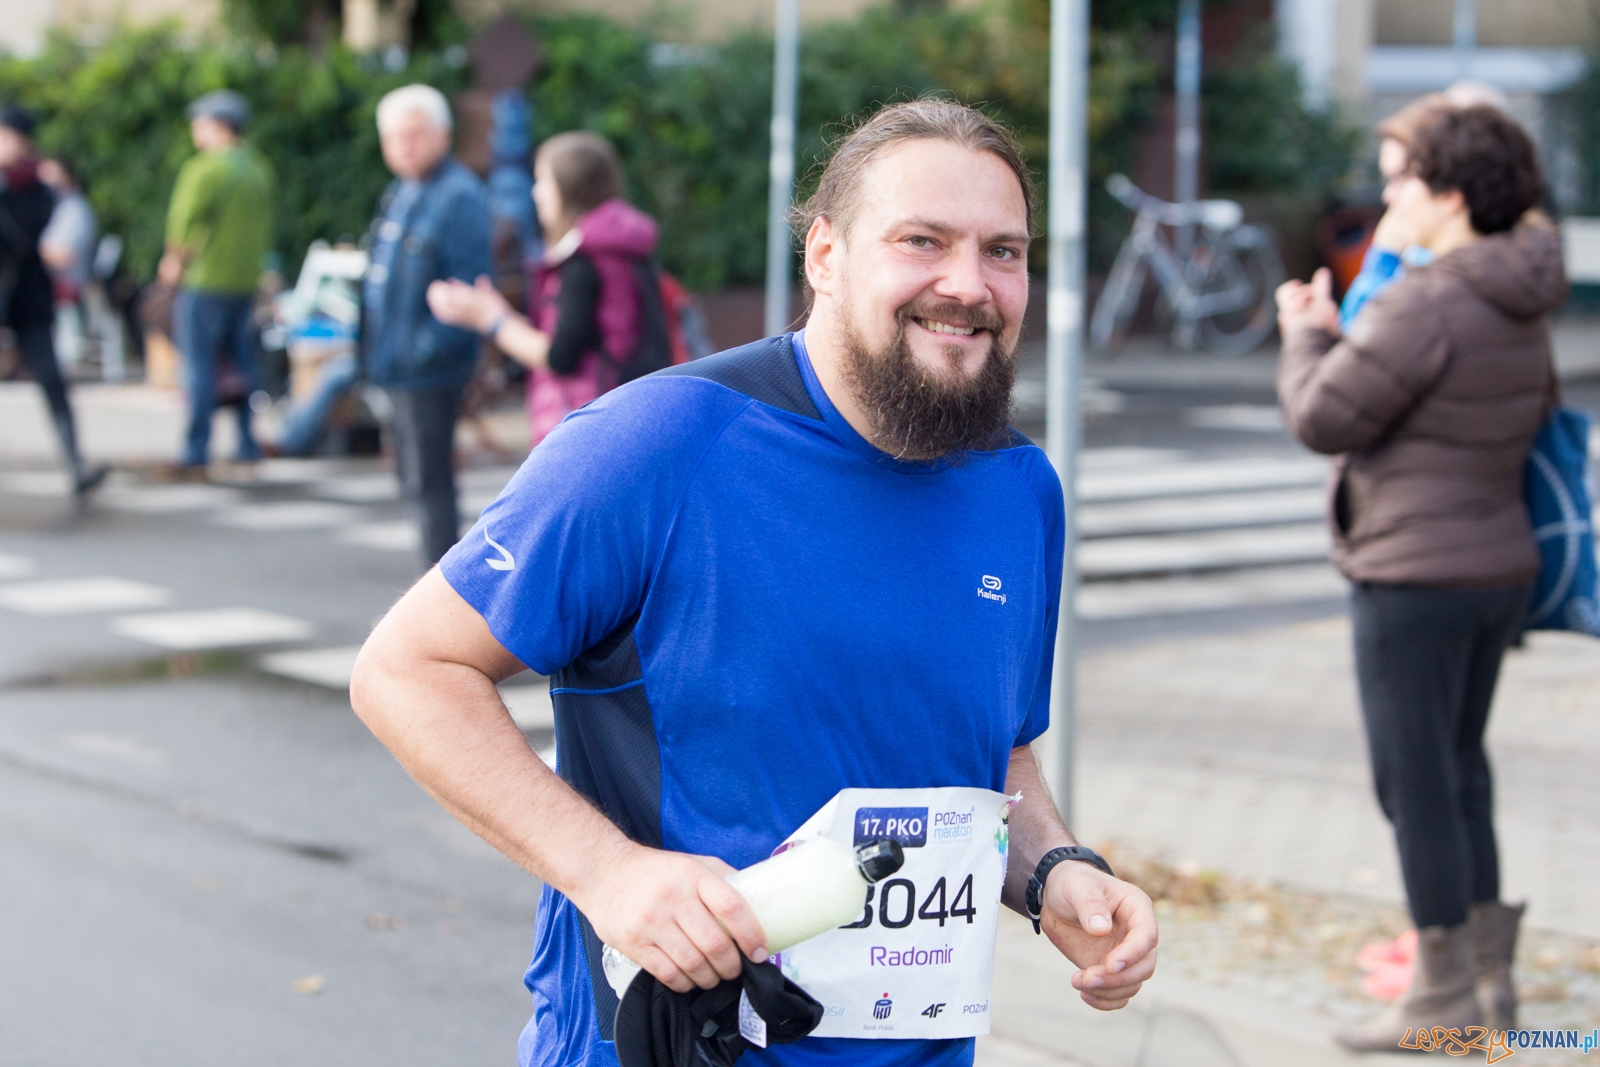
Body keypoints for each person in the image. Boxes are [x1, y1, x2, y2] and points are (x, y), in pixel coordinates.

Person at [351, 98, 1158, 1067]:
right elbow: (407, 668)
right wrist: (609, 872)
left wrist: (1054, 870)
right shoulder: (662, 442)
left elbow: (994, 754)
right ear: (823, 255)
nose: (967, 284)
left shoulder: (1017, 487)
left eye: (1003, 251)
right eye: (921, 241)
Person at [1275, 106, 1564, 1050]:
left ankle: (1444, 1004)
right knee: (1463, 773)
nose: (1387, 195)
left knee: (1417, 785)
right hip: (1497, 566)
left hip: (1415, 573)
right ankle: (1491, 989)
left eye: (1401, 177)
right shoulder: (1521, 289)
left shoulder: (1431, 299)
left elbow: (1325, 416)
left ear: (1447, 192)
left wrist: (1306, 332)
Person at [426, 130, 662, 446]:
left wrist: (491, 321)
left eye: (542, 181)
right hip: (626, 413)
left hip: (591, 427)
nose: (536, 193)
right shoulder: (622, 251)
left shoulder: (584, 262)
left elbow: (560, 355)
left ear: (568, 188)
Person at [360, 84, 491, 566]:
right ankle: (432, 586)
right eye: (394, 137)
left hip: (429, 365)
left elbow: (469, 287)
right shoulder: (402, 190)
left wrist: (427, 350)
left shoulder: (458, 195)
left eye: (415, 134)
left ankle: (438, 590)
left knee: (430, 480)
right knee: (412, 478)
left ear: (444, 134)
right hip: (395, 360)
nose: (405, 145)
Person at [160, 89, 275, 472]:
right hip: (244, 282)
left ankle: (196, 449)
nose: (196, 131)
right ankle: (246, 445)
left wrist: (174, 260)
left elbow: (184, 222)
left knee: (200, 366)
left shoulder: (204, 169)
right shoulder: (259, 169)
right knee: (242, 368)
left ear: (220, 126)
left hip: (205, 280)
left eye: (200, 123)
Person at [0, 105, 108, 495]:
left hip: (28, 296)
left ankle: (75, 461)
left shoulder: (39, 189)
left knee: (50, 376)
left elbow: (44, 240)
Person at [37, 156, 98, 373]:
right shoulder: (53, 207)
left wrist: (30, 252)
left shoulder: (74, 210)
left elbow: (65, 255)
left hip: (64, 281)